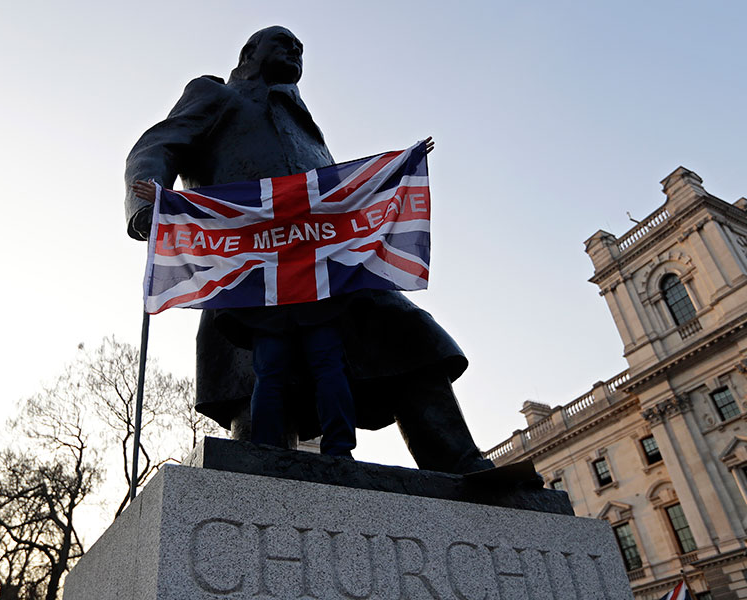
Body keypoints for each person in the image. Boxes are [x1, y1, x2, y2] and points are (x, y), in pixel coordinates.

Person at [125, 26, 493, 474]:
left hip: (329, 260)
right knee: (262, 383)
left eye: (300, 49)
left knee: (406, 334)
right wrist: (149, 204)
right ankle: (261, 469)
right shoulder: (216, 95)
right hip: (250, 261)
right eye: (283, 43)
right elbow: (156, 146)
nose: (295, 52)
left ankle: (458, 462)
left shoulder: (304, 122)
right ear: (250, 53)